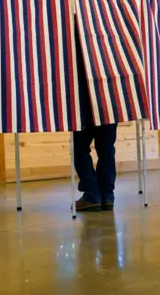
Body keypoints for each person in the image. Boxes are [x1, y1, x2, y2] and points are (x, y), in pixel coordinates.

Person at [72, 35, 118, 212]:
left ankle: (92, 194)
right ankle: (107, 195)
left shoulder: (74, 33)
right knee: (106, 148)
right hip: (110, 97)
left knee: (80, 147)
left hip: (84, 99)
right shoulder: (110, 32)